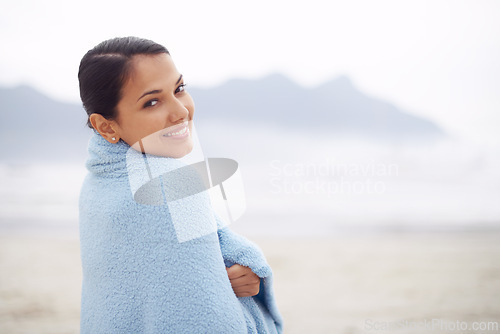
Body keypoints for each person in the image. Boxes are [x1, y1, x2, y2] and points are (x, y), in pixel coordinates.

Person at [77, 36, 283, 333]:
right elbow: (203, 321)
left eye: (179, 89)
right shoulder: (170, 191)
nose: (181, 112)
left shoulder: (96, 185)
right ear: (106, 126)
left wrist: (226, 269)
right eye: (152, 102)